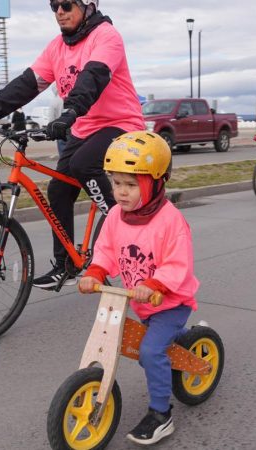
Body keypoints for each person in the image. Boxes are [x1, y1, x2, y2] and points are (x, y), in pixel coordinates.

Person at [0, 0, 144, 290]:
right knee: (58, 189)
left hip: (120, 124)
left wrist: (70, 112)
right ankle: (66, 265)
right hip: (83, 126)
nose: (60, 11)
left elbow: (93, 77)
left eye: (67, 4)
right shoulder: (56, 47)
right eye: (54, 5)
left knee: (84, 164)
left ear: (89, 6)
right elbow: (27, 84)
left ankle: (121, 225)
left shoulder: (106, 35)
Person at [77, 130, 199, 446]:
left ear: (156, 182)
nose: (121, 192)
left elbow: (177, 264)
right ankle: (184, 340)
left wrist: (155, 283)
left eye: (131, 184)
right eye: (116, 183)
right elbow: (105, 249)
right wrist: (96, 272)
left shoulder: (170, 221)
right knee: (147, 344)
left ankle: (161, 414)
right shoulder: (116, 216)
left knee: (149, 351)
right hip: (141, 300)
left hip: (171, 302)